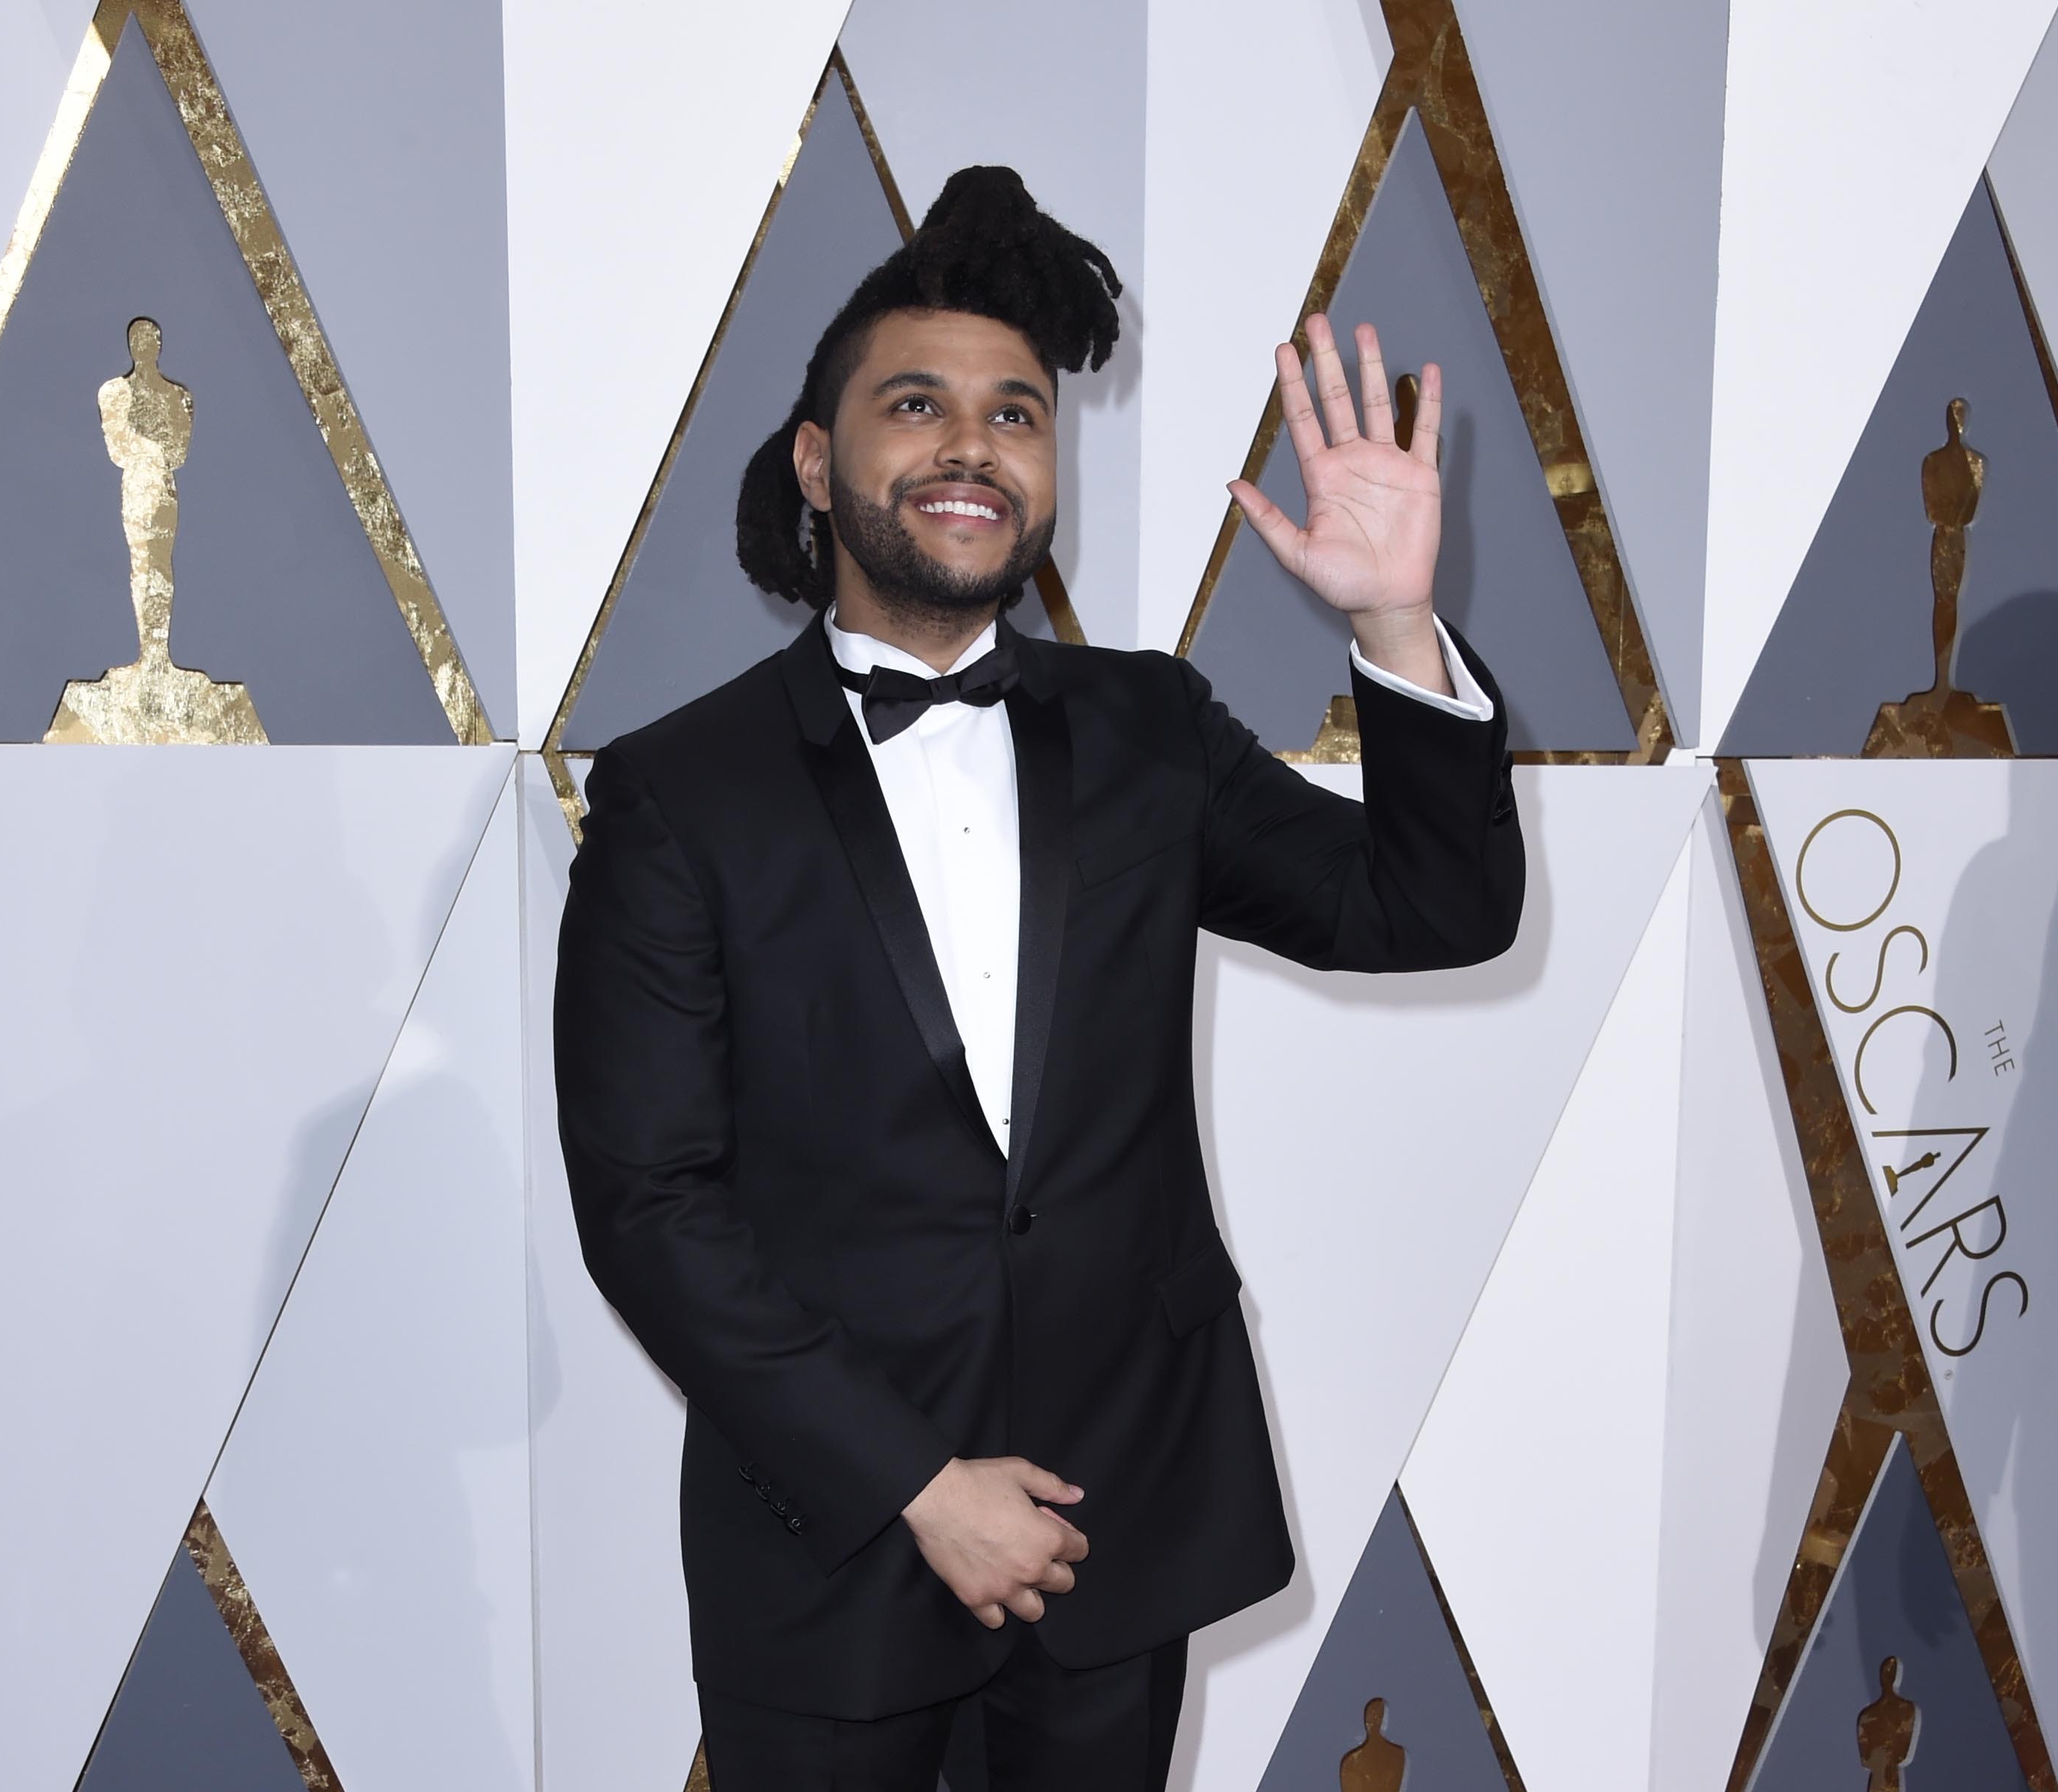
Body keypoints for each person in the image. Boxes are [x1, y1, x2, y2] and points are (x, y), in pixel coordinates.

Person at [554, 166, 1524, 1791]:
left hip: (1112, 1526)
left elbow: (1428, 905)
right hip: (832, 1541)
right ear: (816, 460)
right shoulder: (680, 790)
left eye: (1016, 414)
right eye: (915, 404)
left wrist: (1400, 624)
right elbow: (647, 1204)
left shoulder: (1147, 728)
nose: (971, 446)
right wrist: (918, 1481)